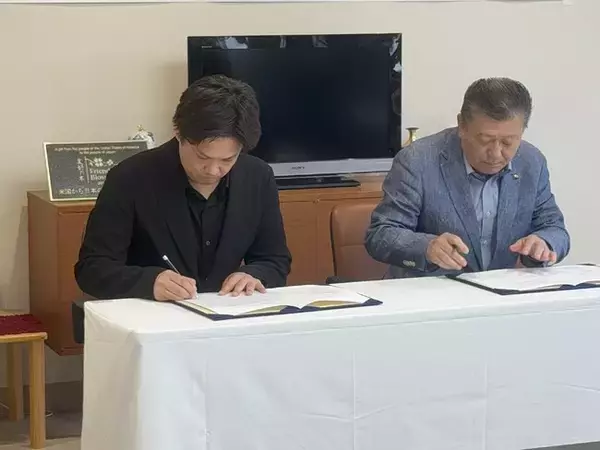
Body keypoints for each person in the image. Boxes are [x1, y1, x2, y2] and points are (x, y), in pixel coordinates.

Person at [75, 75, 291, 300]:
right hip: (153, 316)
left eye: (228, 159)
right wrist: (148, 282)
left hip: (227, 313)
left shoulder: (257, 177)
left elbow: (274, 260)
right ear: (178, 132)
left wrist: (253, 275)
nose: (213, 170)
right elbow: (92, 269)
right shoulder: (130, 178)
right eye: (202, 157)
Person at [366, 77, 569, 278]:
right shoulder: (417, 161)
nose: (496, 154)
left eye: (508, 142)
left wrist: (544, 243)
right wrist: (426, 247)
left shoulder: (531, 162)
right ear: (462, 126)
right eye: (485, 140)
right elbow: (381, 234)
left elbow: (555, 229)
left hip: (500, 292)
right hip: (431, 291)